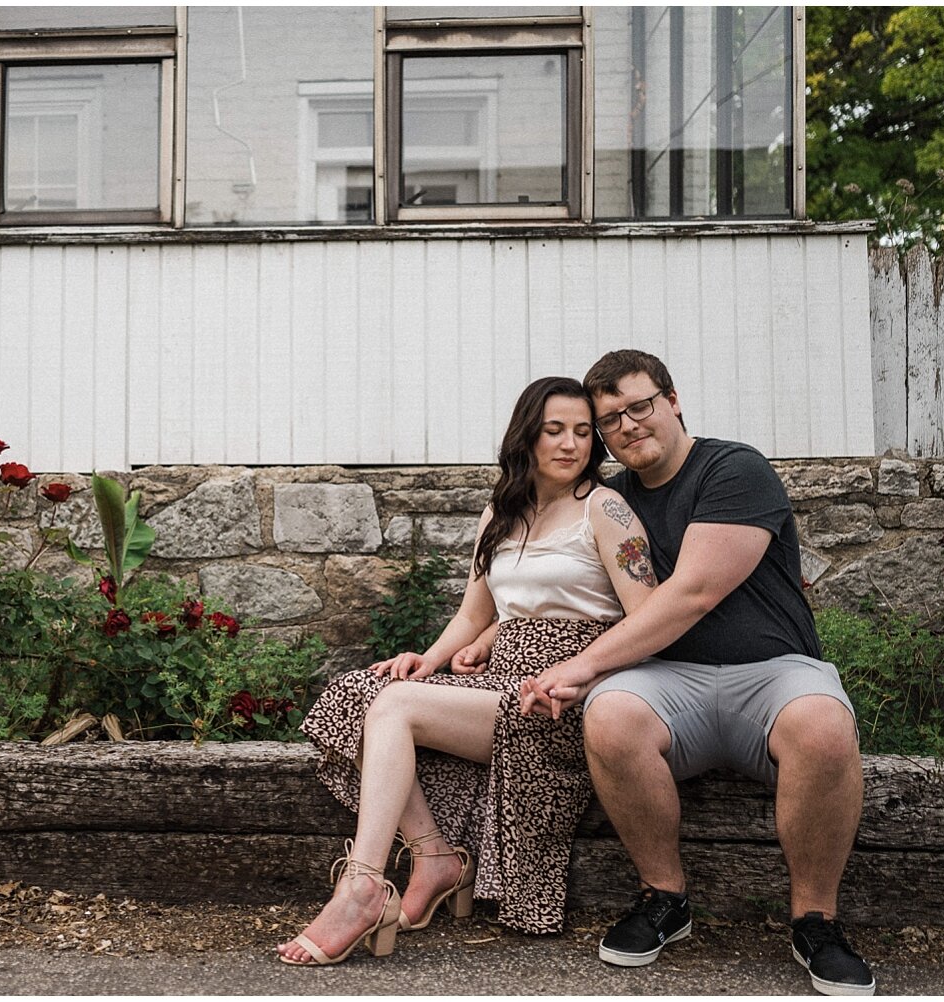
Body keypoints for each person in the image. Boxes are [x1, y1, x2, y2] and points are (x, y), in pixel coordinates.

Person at [521, 349, 875, 996]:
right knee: (611, 714)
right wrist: (479, 640)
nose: (626, 426)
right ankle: (664, 898)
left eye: (639, 406)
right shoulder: (609, 498)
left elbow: (692, 594)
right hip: (668, 681)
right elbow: (548, 576)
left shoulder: (733, 469)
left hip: (771, 673)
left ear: (673, 399)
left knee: (824, 725)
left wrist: (579, 667)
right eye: (609, 420)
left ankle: (815, 920)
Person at [276, 376, 658, 966]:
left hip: (564, 697)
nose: (570, 444)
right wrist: (425, 660)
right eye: (554, 430)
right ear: (527, 437)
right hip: (501, 679)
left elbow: (646, 618)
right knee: (366, 691)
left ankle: (361, 888)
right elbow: (474, 613)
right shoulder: (502, 513)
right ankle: (434, 857)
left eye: (583, 432)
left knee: (397, 708)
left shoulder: (604, 509)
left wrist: (578, 673)